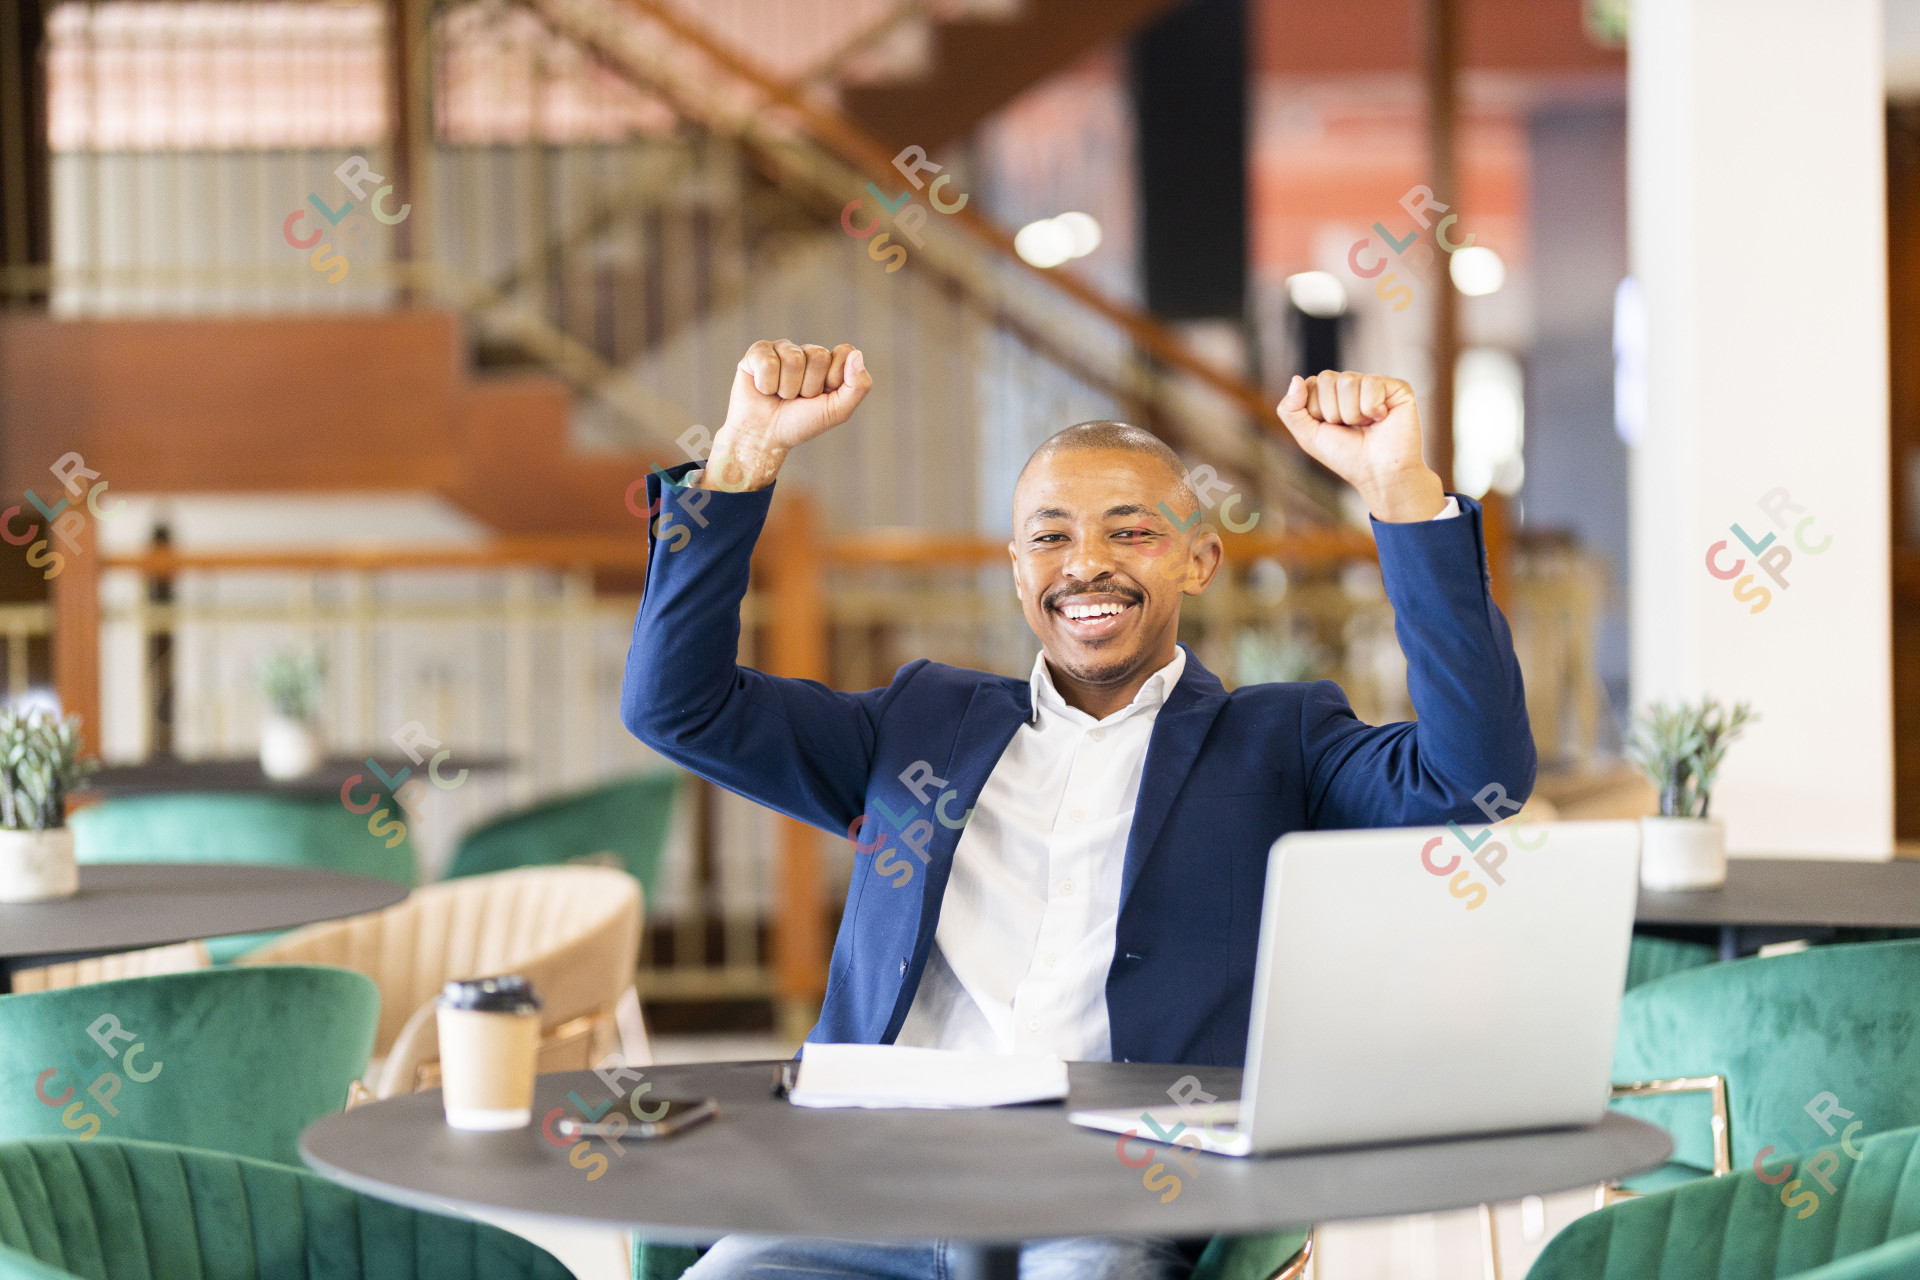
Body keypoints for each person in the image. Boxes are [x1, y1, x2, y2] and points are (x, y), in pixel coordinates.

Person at [622, 339, 1533, 1280]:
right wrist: (741, 460)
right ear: (1019, 569)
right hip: (876, 1177)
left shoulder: (1281, 739)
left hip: (1114, 1194)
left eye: (1130, 531)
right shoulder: (921, 722)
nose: (1086, 564)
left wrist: (1401, 490)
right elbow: (674, 706)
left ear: (1200, 558)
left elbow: (1476, 779)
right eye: (1051, 536)